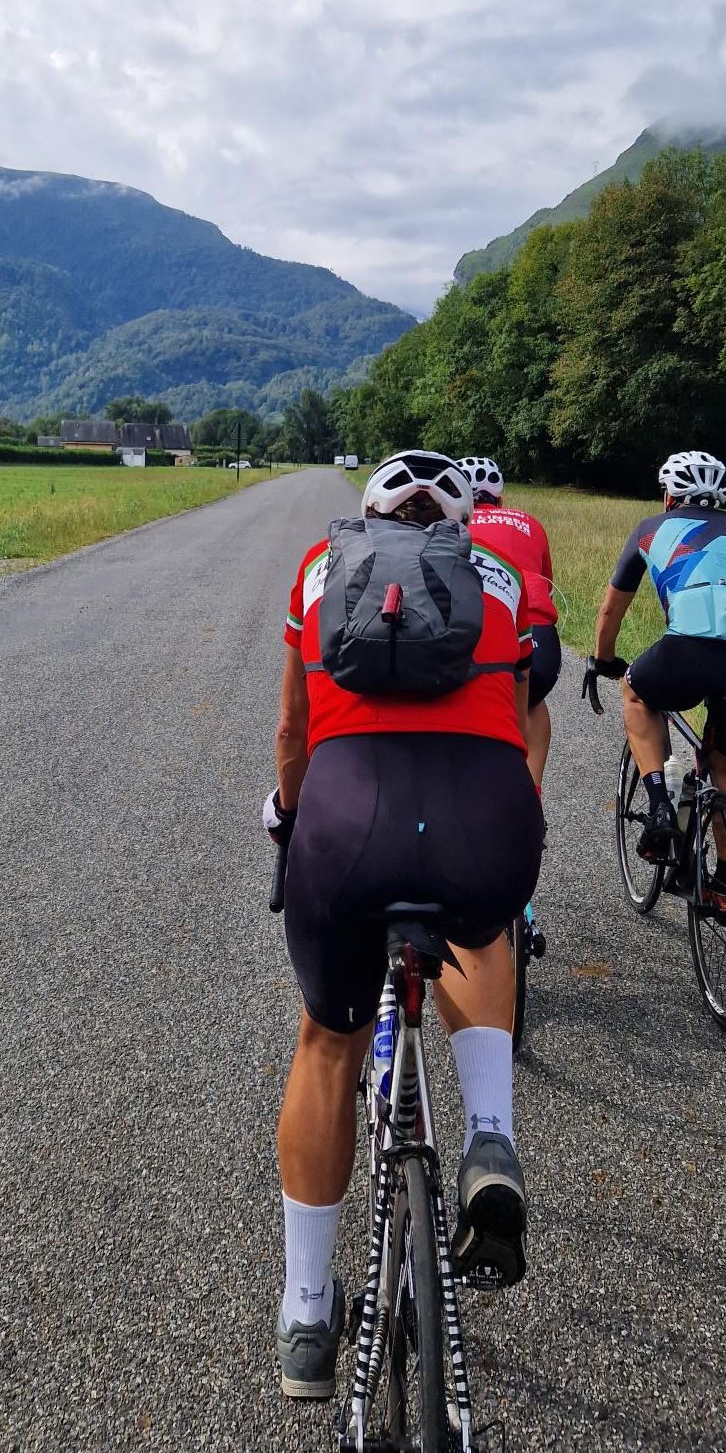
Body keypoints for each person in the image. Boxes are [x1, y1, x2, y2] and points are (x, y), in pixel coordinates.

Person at [267, 449, 544, 1399]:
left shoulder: (319, 567)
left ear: (369, 514)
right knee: (481, 935)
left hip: (349, 828)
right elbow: (518, 716)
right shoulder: (497, 574)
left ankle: (309, 1316)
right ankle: (490, 1138)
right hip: (482, 823)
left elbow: (295, 732)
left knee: (326, 1042)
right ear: (461, 521)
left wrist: (288, 817)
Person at [586, 450, 726, 919]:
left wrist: (603, 660)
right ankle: (724, 882)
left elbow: (612, 609)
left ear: (669, 496)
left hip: (691, 647)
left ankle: (660, 807)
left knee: (637, 693)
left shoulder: (649, 529)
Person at [459, 455, 559, 786]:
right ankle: (532, 798)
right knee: (533, 703)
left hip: (480, 633)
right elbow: (547, 585)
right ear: (499, 499)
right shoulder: (530, 523)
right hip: (539, 636)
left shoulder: (451, 524)